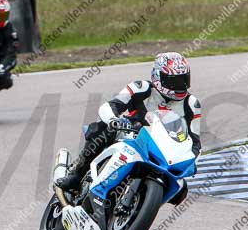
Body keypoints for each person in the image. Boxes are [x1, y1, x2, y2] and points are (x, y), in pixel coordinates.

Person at [56, 52, 201, 194]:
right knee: (102, 129)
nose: (180, 85)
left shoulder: (191, 104)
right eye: (174, 81)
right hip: (130, 134)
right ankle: (77, 175)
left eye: (183, 79)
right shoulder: (140, 88)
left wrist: (190, 161)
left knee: (182, 190)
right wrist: (114, 120)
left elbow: (195, 143)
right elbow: (110, 106)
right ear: (158, 77)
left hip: (162, 149)